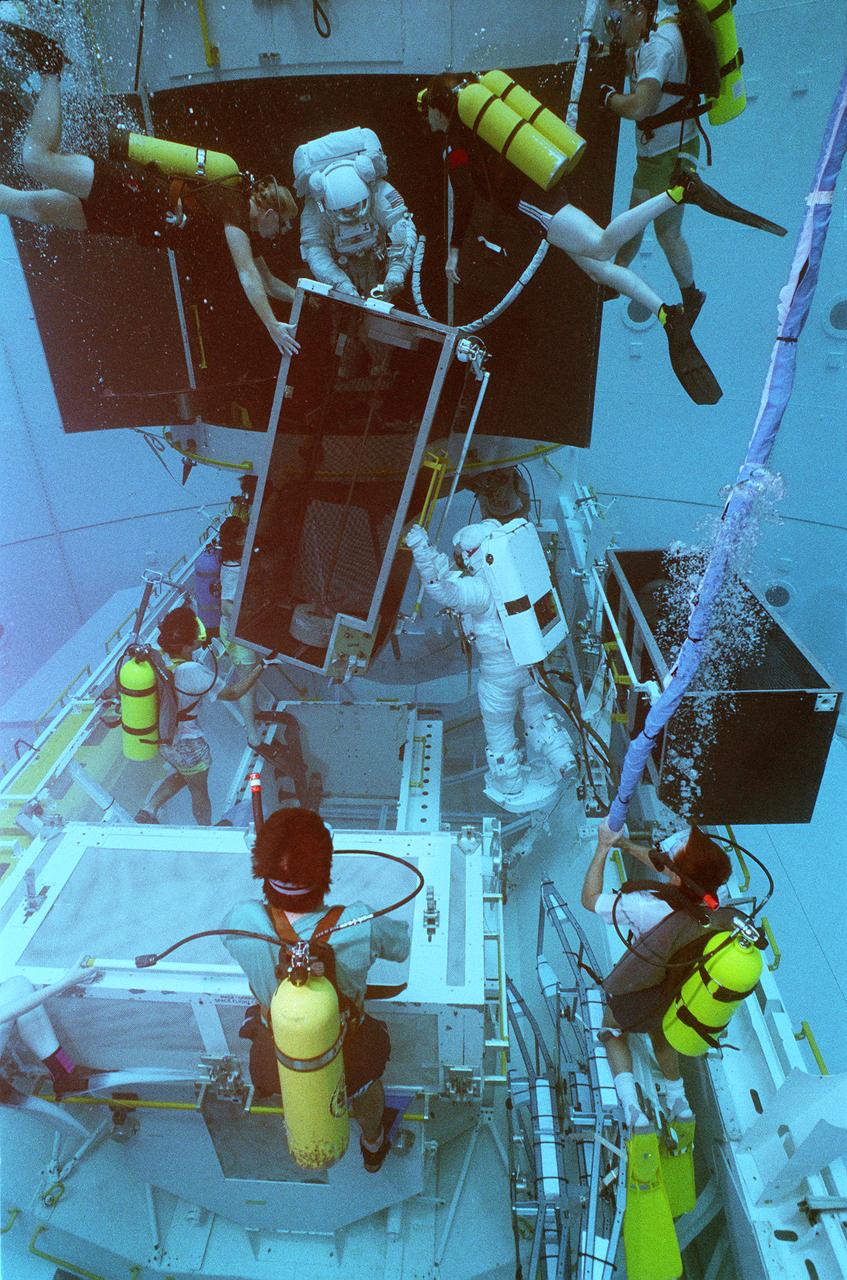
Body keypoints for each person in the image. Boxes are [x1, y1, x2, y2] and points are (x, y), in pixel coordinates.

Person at [422, 71, 784, 405]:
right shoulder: (475, 127)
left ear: (440, 109)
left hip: (534, 204)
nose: (428, 120)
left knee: (600, 245)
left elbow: (465, 197)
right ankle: (667, 314)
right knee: (598, 269)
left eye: (428, 112)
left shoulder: (456, 144)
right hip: (541, 189)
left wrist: (454, 251)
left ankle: (680, 192)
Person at [0, 15, 300, 356]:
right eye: (283, 225)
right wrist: (272, 326)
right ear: (270, 212)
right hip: (132, 191)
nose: (280, 233)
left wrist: (308, 297)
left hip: (129, 218)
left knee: (29, 207)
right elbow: (248, 275)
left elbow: (268, 283)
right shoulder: (235, 205)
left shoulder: (246, 234)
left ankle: (49, 66)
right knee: (37, 160)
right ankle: (50, 66)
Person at [221, 807, 411, 1171]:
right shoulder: (359, 921)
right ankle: (373, 1143)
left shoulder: (242, 920)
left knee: (297, 1087)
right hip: (351, 1049)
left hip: (276, 1054)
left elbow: (233, 939)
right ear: (326, 872)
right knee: (365, 1086)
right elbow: (401, 947)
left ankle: (304, 1121)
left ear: (261, 870)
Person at [406, 520, 575, 809]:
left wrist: (421, 550)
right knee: (537, 715)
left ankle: (510, 785)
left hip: (500, 676)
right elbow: (451, 577)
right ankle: (563, 759)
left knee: (499, 730)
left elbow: (441, 589)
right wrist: (434, 555)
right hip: (531, 665)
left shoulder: (480, 590)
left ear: (471, 554)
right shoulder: (516, 574)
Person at [581, 822, 732, 1127]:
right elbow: (671, 870)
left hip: (645, 987)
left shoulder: (645, 908)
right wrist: (625, 845)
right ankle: (679, 1101)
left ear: (677, 878)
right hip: (681, 990)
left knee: (611, 1031)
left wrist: (603, 847)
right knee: (661, 1032)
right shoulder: (716, 904)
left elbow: (590, 899)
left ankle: (632, 1110)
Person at [600, 0, 713, 321]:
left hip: (664, 156)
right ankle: (692, 295)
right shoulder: (660, 27)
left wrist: (608, 98)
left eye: (615, 20)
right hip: (678, 147)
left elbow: (640, 107)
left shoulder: (658, 46)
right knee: (668, 232)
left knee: (634, 219)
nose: (614, 30)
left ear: (637, 11)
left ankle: (614, 278)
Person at [134, 604, 266, 826]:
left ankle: (149, 809)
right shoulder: (192, 671)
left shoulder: (159, 660)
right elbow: (234, 693)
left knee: (185, 775)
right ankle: (206, 830)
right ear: (189, 644)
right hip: (188, 744)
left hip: (164, 738)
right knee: (199, 791)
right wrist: (262, 666)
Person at [298, 131, 417, 299]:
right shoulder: (316, 209)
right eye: (344, 210)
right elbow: (315, 252)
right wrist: (340, 284)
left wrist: (397, 271)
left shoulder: (379, 191)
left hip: (379, 266)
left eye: (355, 207)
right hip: (342, 272)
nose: (352, 213)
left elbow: (402, 226)